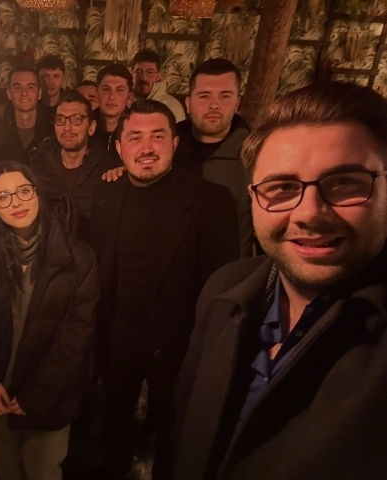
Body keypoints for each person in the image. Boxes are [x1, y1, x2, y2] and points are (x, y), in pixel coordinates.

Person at [173, 82, 387, 480]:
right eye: (283, 187)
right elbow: (185, 424)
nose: (309, 213)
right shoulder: (223, 290)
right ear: (254, 197)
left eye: (344, 182)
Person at [91, 100, 239, 480]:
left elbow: (221, 289)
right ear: (119, 147)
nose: (146, 147)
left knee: (175, 436)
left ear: (174, 143)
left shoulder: (212, 200)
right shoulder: (105, 196)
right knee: (114, 424)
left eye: (157, 136)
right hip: (118, 337)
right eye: (134, 137)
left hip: (180, 343)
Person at [0, 162, 99, 480]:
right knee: (8, 471)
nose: (16, 202)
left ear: (39, 194)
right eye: (3, 197)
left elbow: (76, 336)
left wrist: (36, 395)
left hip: (49, 397)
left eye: (24, 191)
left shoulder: (78, 256)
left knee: (43, 471)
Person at [103, 59, 254, 258]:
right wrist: (129, 171)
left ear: (237, 103)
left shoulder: (256, 155)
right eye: (204, 96)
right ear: (188, 103)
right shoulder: (163, 146)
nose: (214, 105)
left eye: (225, 96)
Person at [30, 90, 118, 238]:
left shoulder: (109, 170)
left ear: (91, 127)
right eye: (60, 120)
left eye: (76, 119)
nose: (67, 128)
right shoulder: (38, 166)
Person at [3, 65, 54, 160]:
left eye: (30, 87)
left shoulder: (53, 132)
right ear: (9, 94)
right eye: (17, 87)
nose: (24, 93)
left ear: (39, 93)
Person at [130, 49, 186, 123]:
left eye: (150, 72)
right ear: (132, 74)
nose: (143, 77)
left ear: (158, 76)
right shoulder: (123, 103)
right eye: (138, 72)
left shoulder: (173, 106)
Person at [91, 64, 132, 160]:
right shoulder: (83, 126)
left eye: (119, 90)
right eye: (106, 89)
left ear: (129, 97)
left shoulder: (138, 128)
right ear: (97, 94)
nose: (112, 96)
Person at [36, 54, 65, 119]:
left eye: (56, 76)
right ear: (37, 78)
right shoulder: (30, 105)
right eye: (45, 76)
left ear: (63, 79)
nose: (50, 82)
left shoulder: (72, 104)